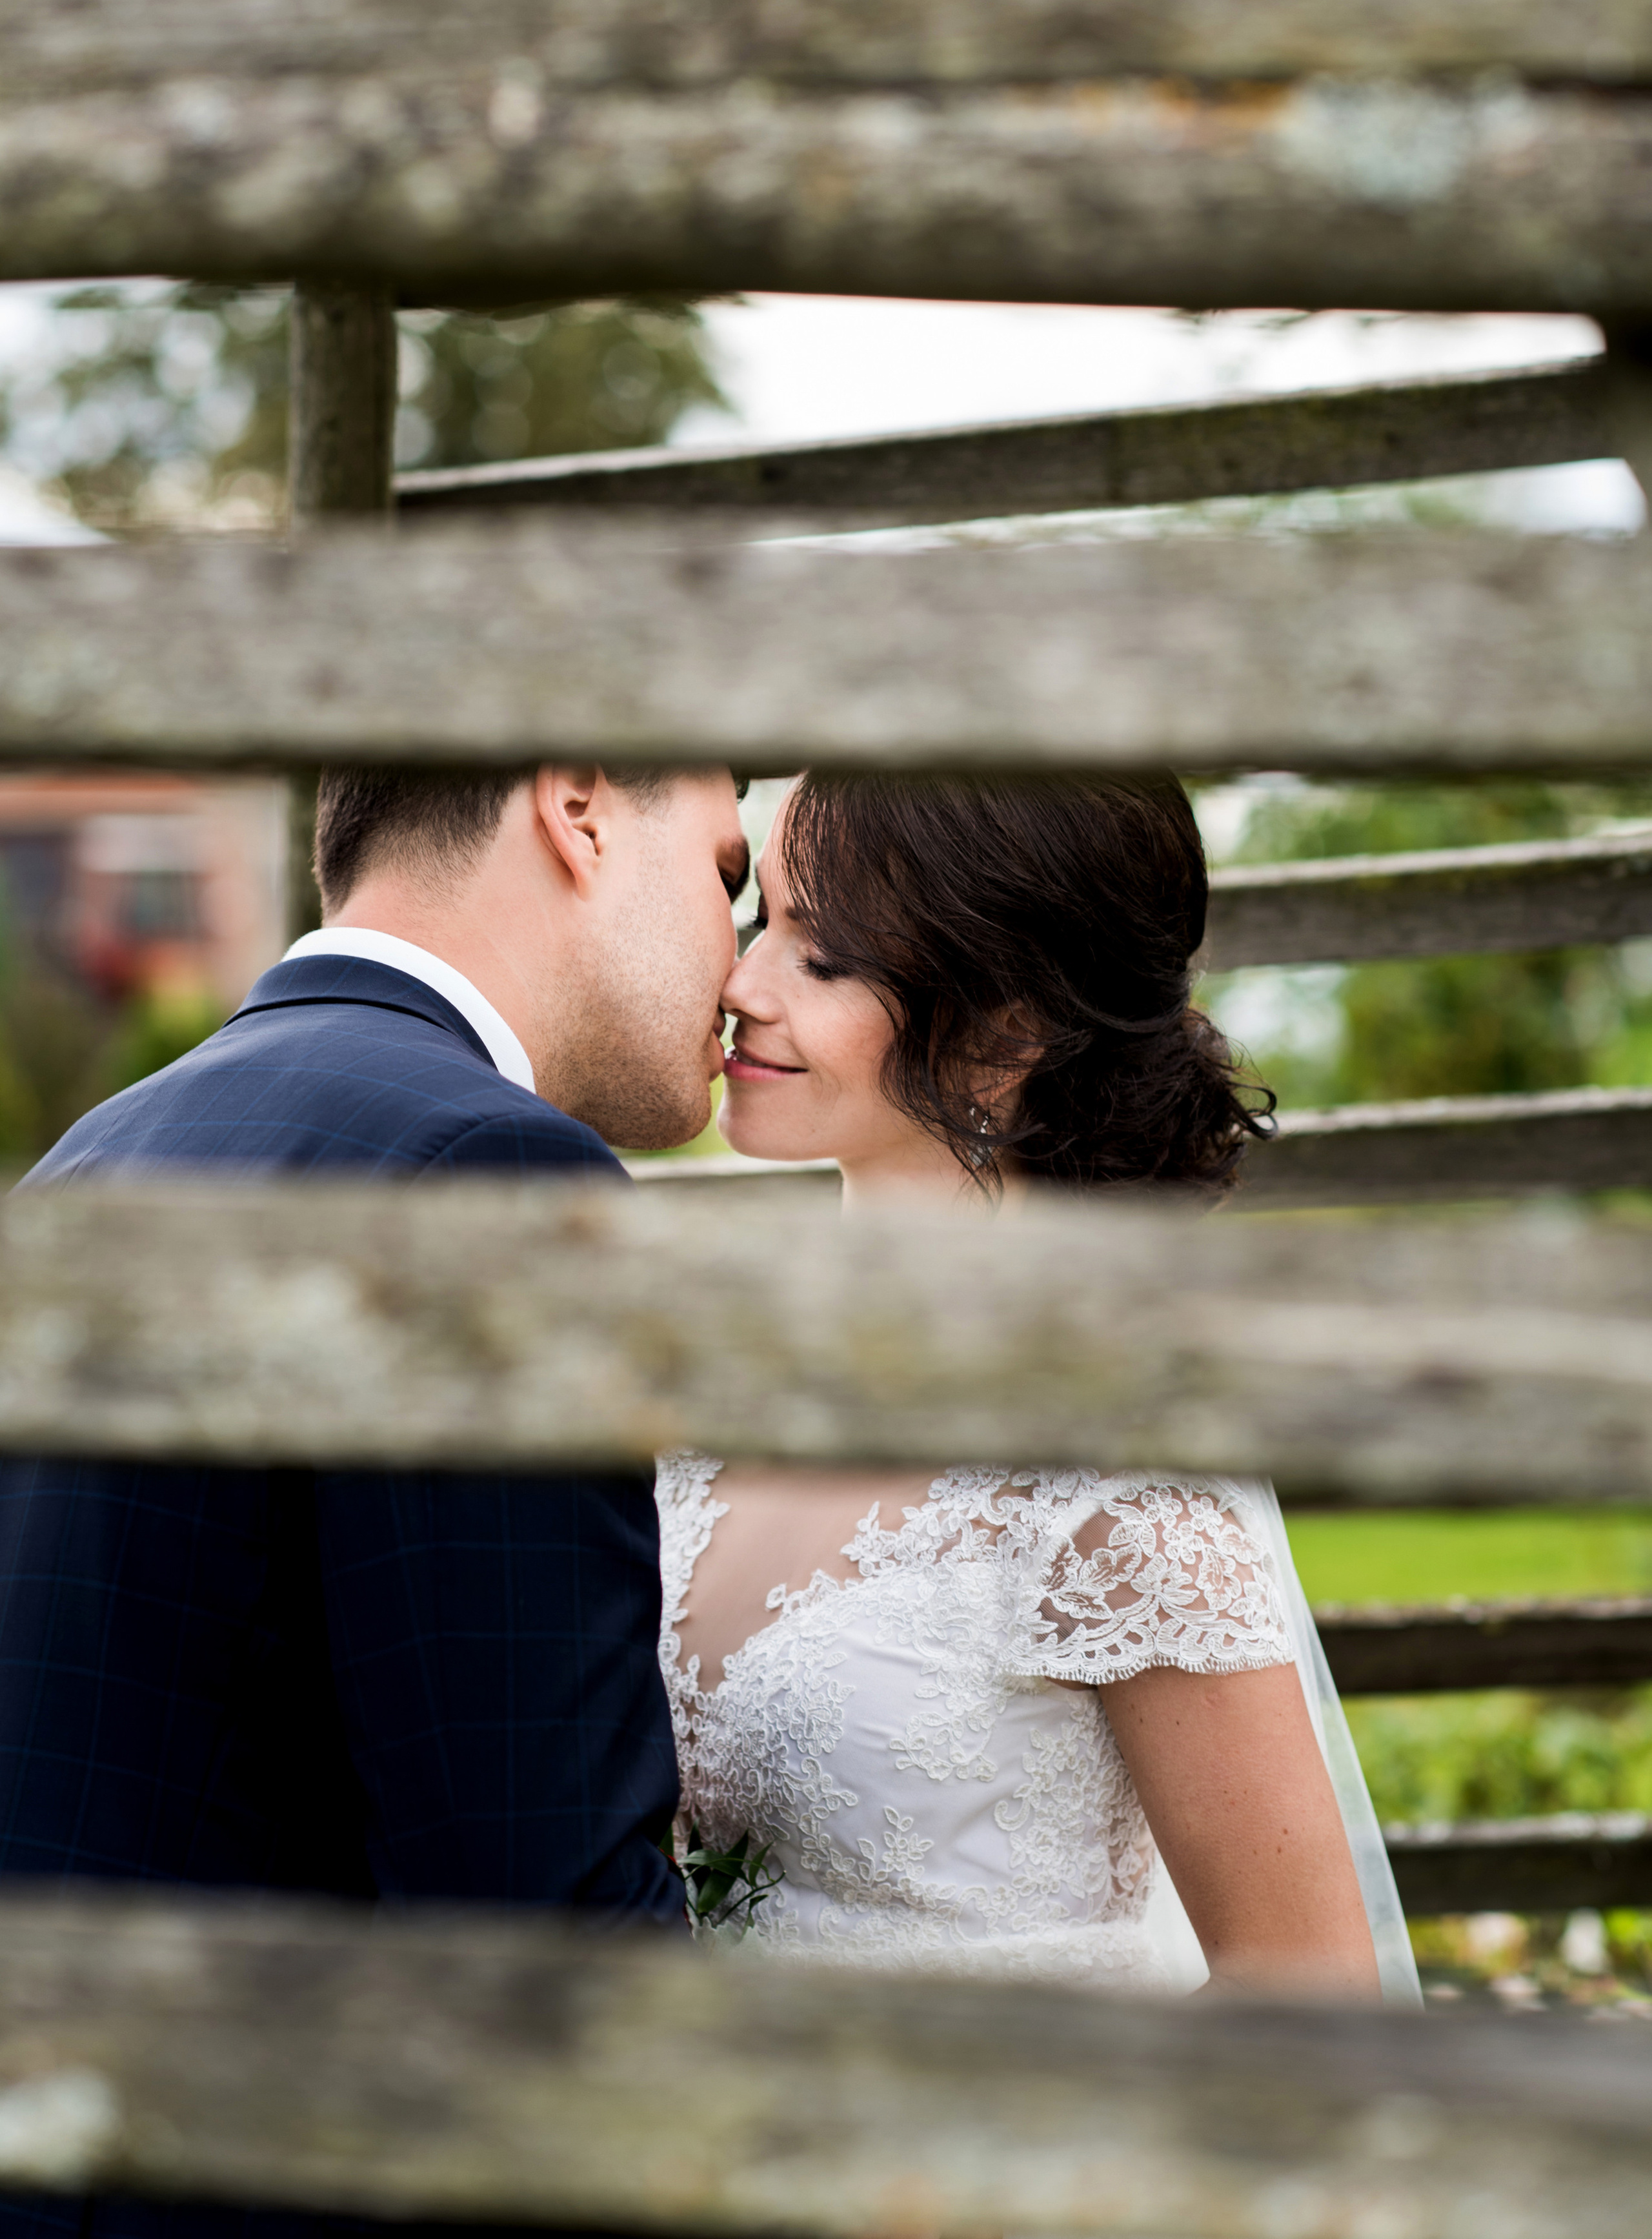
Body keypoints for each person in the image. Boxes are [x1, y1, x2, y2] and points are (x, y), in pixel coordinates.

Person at [0, 762, 749, 2239]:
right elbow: (540, 1943)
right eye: (724, 876)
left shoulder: (98, 1158)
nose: (738, 960)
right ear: (581, 805)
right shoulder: (485, 1177)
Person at [657, 771, 1419, 2005]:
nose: (742, 985)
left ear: (1009, 1028)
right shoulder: (714, 1383)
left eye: (823, 957)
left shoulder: (1113, 1464)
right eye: (763, 923)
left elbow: (1308, 1996)